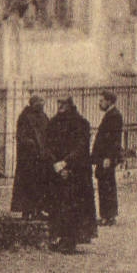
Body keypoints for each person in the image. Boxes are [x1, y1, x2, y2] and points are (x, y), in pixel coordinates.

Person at [45, 95, 97, 252]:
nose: (60, 106)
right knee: (57, 205)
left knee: (73, 206)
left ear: (70, 104)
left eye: (63, 103)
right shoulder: (53, 123)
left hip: (76, 172)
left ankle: (70, 240)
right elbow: (47, 145)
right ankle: (58, 238)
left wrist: (66, 163)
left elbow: (81, 148)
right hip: (57, 170)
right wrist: (55, 163)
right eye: (58, 102)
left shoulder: (81, 123)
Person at [10, 93, 50, 219]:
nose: (42, 105)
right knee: (27, 184)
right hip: (28, 158)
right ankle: (27, 211)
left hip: (41, 156)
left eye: (43, 102)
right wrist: (31, 144)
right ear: (33, 103)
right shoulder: (25, 116)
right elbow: (21, 136)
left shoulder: (44, 116)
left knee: (41, 184)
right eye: (39, 102)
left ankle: (38, 210)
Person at [92, 90, 124, 225]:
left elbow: (114, 140)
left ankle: (108, 216)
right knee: (105, 184)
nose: (99, 103)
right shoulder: (111, 114)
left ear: (109, 101)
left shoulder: (114, 116)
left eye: (101, 101)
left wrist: (108, 157)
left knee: (106, 185)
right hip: (104, 157)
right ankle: (108, 215)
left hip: (106, 158)